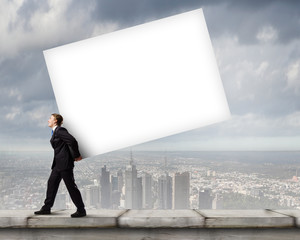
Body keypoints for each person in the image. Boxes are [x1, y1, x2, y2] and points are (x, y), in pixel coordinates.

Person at [34, 113, 86, 217]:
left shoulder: (60, 130)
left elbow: (72, 141)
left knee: (71, 186)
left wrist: (76, 155)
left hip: (65, 164)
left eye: (50, 118)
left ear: (55, 121)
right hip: (58, 164)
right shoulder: (55, 132)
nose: (48, 120)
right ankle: (46, 208)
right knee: (51, 183)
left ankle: (81, 210)